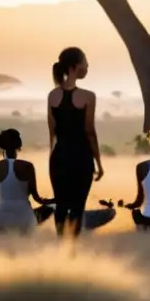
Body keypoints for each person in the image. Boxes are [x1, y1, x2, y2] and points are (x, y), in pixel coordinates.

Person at [47, 47, 105, 238]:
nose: (87, 66)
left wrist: (53, 159)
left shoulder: (52, 96)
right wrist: (98, 162)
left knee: (61, 206)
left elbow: (52, 133)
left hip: (59, 157)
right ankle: (71, 250)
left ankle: (60, 247)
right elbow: (90, 131)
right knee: (78, 207)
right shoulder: (88, 96)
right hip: (81, 157)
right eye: (85, 62)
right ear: (75, 66)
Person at [0, 129, 56, 233]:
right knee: (53, 206)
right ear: (18, 147)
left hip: (0, 219)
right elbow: (36, 198)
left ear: (2, 148)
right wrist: (52, 201)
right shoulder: (28, 166)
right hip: (26, 219)